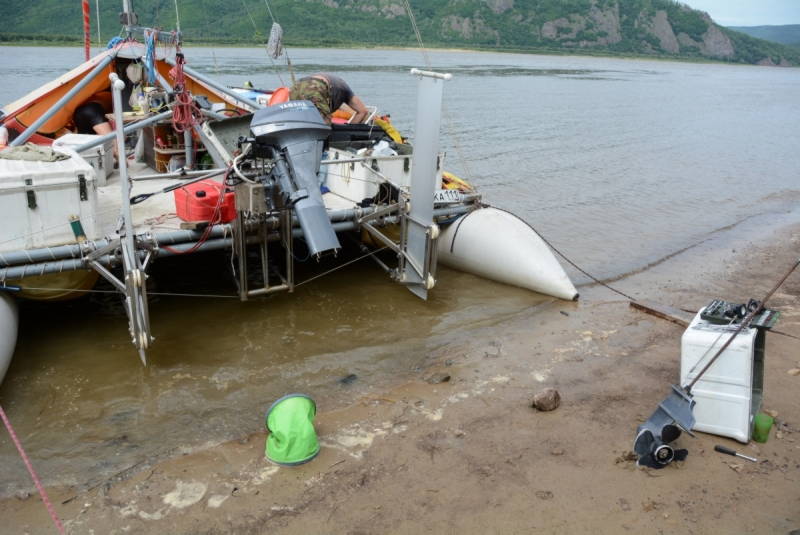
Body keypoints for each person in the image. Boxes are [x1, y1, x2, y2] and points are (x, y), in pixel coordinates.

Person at [289, 73, 369, 124]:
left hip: (296, 86)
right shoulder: (346, 92)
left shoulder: (338, 92)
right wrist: (350, 128)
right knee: (325, 123)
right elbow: (363, 111)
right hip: (315, 85)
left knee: (299, 120)